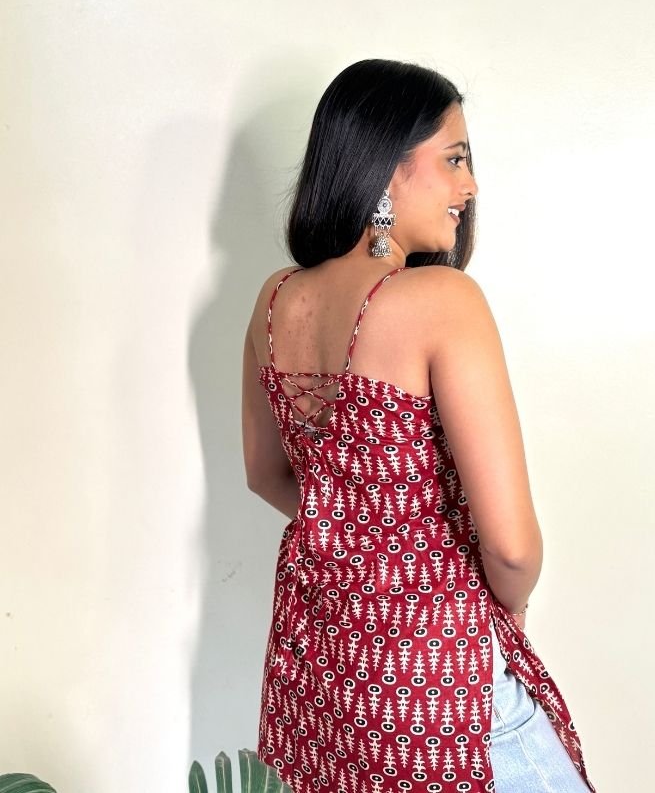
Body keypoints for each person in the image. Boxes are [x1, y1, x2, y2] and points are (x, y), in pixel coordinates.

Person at [242, 59, 596, 793]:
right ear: (385, 166)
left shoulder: (275, 301)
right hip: (437, 674)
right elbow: (511, 545)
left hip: (328, 670)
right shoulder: (441, 299)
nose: (471, 186)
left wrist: (358, 544)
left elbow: (267, 474)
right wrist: (508, 608)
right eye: (454, 159)